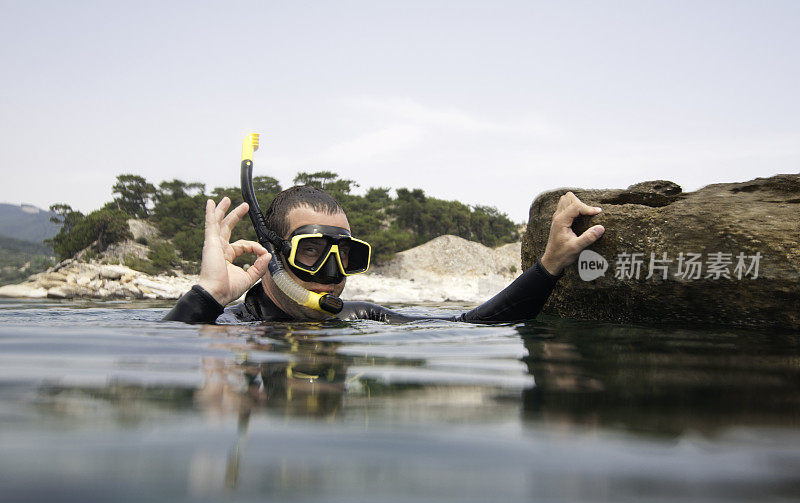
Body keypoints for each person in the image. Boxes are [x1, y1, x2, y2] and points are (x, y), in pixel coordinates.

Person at [164, 186, 604, 324]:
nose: (331, 274)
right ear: (274, 257)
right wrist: (207, 295)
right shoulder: (223, 327)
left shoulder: (358, 317)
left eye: (346, 256)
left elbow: (469, 325)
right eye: (311, 251)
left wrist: (549, 265)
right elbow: (156, 362)